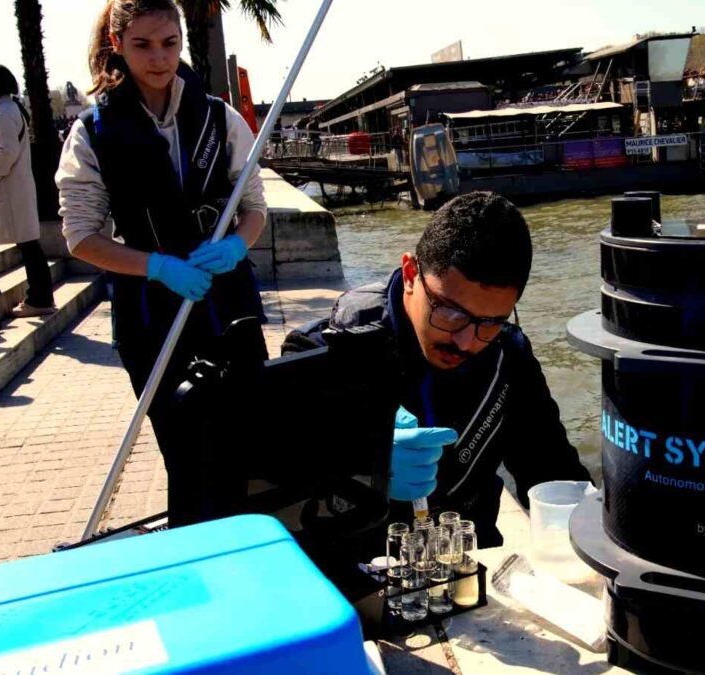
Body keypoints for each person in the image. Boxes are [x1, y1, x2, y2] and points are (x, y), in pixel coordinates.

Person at [56, 0, 274, 526]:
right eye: (143, 45)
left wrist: (237, 246)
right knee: (187, 455)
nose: (160, 58)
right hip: (152, 317)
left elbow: (254, 209)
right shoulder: (93, 134)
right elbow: (81, 238)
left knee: (252, 445)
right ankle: (195, 555)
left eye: (170, 43)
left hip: (229, 307)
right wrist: (158, 267)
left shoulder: (220, 117)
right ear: (117, 46)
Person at [284, 192, 593, 546]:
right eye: (450, 313)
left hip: (469, 567)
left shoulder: (509, 359)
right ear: (411, 272)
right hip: (364, 574)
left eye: (490, 322)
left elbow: (553, 474)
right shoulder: (324, 351)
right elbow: (270, 463)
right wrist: (365, 458)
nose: (465, 341)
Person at [0, 64, 56, 318]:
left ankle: (39, 298)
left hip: (11, 187)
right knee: (28, 243)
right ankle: (38, 296)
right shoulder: (11, 108)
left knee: (29, 245)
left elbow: (8, 151)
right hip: (17, 185)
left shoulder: (1, 112)